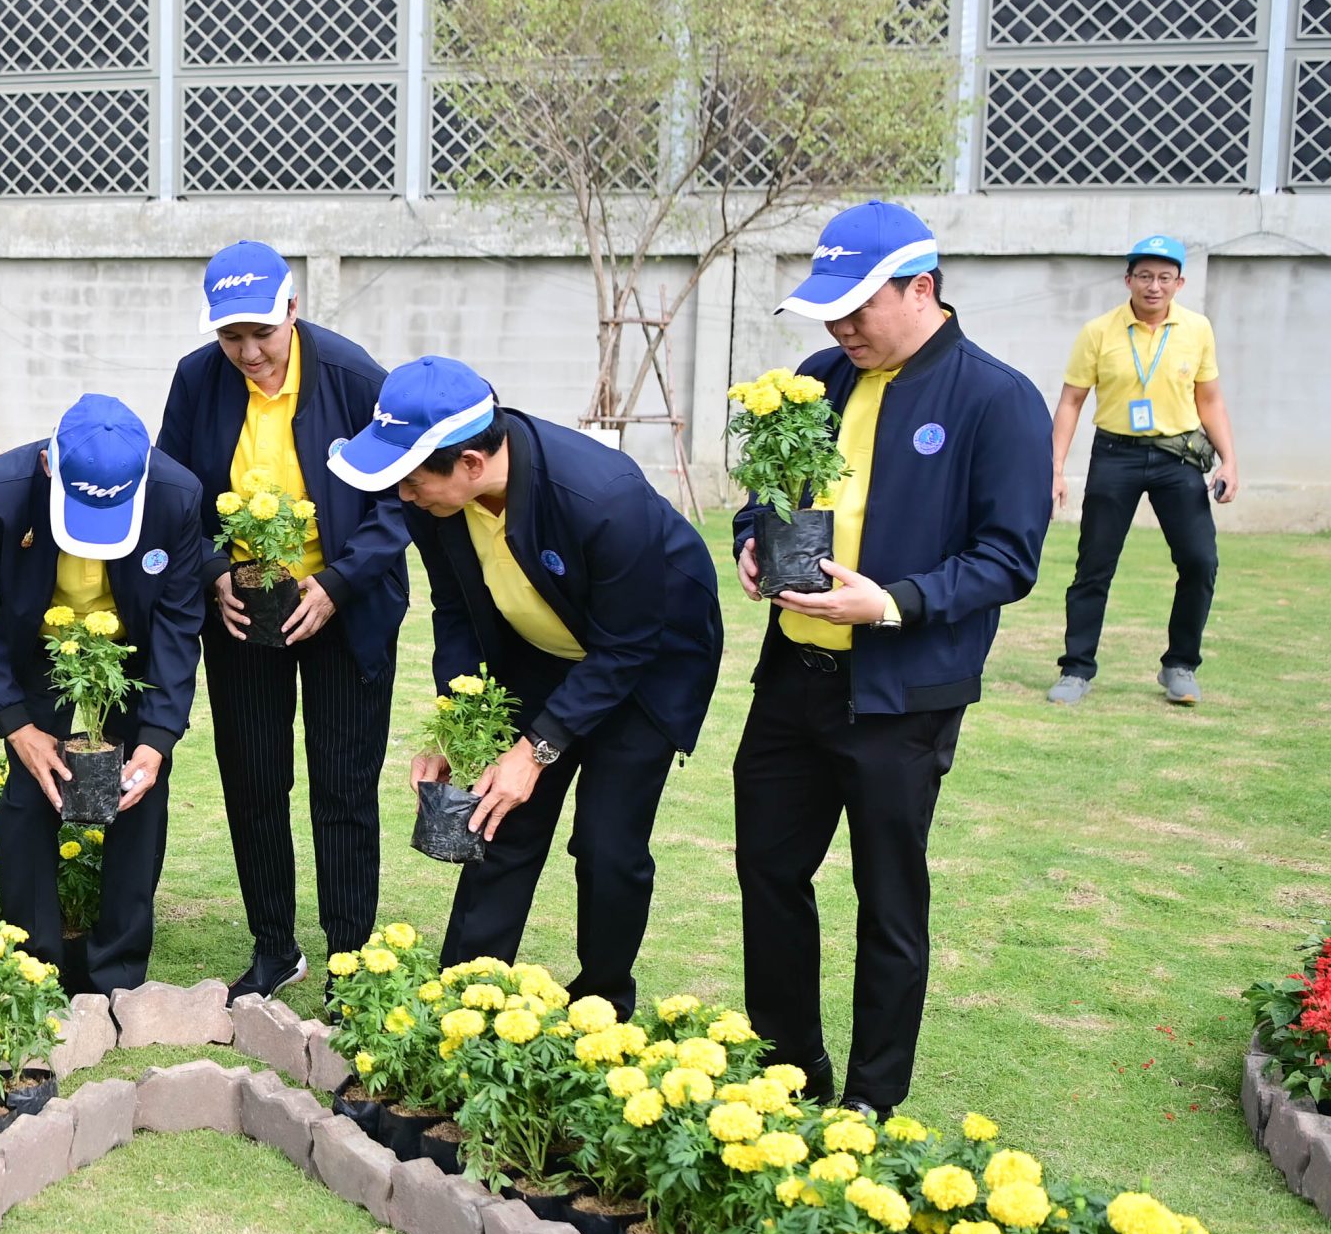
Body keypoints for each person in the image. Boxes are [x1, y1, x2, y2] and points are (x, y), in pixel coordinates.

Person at [730, 201, 1051, 1117]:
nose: (841, 328)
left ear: (923, 288)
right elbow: (767, 491)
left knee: (889, 898)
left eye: (858, 308)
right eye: (831, 310)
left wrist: (893, 602)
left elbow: (1008, 557)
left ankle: (871, 1102)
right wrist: (755, 538)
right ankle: (788, 1072)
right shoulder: (818, 377)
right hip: (794, 678)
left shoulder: (997, 399)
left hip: (901, 696)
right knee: (768, 871)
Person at [330, 356, 721, 1017]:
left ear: (473, 465)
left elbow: (625, 647)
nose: (402, 493)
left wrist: (534, 749)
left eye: (413, 477)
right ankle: (460, 1001)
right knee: (500, 815)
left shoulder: (604, 498)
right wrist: (463, 722)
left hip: (649, 657)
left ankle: (603, 1000)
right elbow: (455, 610)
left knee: (606, 841)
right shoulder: (433, 502)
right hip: (543, 647)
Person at [154, 240, 408, 1000]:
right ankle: (274, 946)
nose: (249, 352)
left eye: (261, 333)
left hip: (344, 606)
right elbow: (171, 494)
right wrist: (209, 574)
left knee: (342, 787)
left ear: (291, 311)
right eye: (231, 338)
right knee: (255, 781)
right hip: (241, 612)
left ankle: (349, 960)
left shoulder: (357, 377)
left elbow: (399, 501)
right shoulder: (198, 380)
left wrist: (336, 582)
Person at [0, 393, 207, 993]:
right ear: (48, 467)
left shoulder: (176, 493)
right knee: (33, 792)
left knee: (140, 796)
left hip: (129, 653)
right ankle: (34, 966)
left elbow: (177, 621)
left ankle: (118, 974)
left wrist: (158, 739)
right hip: (42, 650)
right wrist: (15, 723)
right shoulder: (4, 486)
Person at [1046, 234, 1239, 708]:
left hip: (1178, 457)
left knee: (1200, 561)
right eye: (1146, 276)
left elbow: (1209, 398)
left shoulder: (1197, 329)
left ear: (1179, 283)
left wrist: (1231, 460)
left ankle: (1180, 665)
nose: (1154, 286)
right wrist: (1055, 468)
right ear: (1128, 279)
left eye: (1165, 277)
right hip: (1115, 455)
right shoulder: (1099, 331)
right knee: (1094, 565)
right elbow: (1071, 401)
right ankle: (1076, 669)